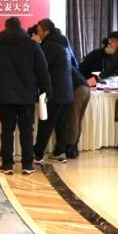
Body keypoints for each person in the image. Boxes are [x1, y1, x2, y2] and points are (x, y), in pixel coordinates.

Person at [0, 17, 51, 175]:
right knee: (26, 130)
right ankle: (27, 164)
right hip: (26, 96)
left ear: (6, 27)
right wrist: (46, 90)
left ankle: (7, 164)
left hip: (4, 95)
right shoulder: (32, 45)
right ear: (20, 27)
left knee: (7, 130)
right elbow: (42, 70)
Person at [33, 18, 74, 164]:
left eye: (39, 31)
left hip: (55, 91)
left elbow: (41, 68)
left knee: (46, 123)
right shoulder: (62, 42)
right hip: (66, 91)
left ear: (46, 31)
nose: (38, 34)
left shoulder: (50, 45)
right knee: (61, 123)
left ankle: (38, 154)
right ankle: (60, 151)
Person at [65, 65, 90, 159]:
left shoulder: (63, 65)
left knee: (73, 119)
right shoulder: (70, 65)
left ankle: (70, 148)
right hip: (86, 89)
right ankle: (75, 146)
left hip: (78, 90)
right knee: (78, 120)